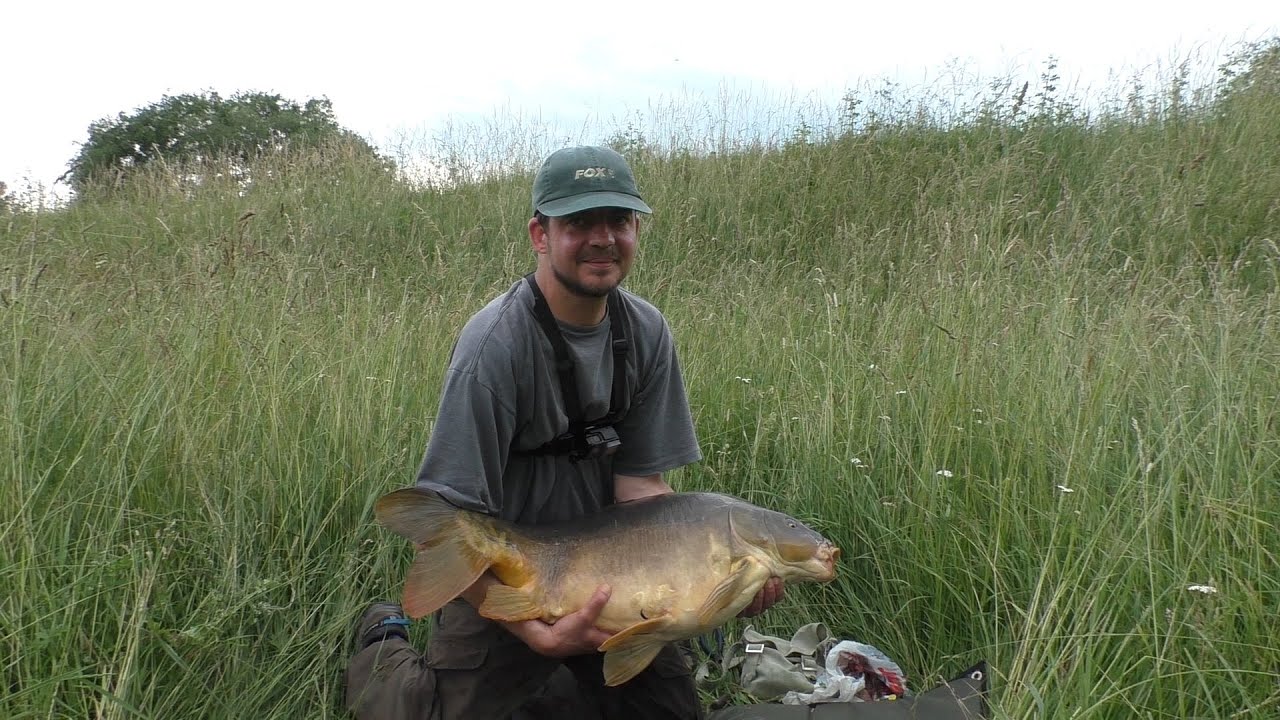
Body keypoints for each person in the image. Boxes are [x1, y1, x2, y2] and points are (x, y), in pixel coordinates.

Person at [344, 145, 784, 720]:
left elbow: (643, 492)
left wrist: (714, 585)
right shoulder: (493, 347)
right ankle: (382, 642)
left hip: (610, 575)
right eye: (580, 222)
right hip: (507, 569)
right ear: (540, 234)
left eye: (619, 221)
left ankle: (564, 687)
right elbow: (446, 523)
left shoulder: (646, 332)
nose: (604, 238)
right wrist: (536, 635)